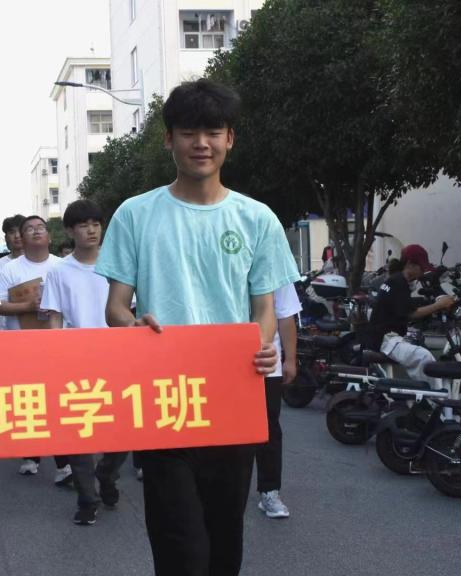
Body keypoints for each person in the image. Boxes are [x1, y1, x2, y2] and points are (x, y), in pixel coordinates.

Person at [96, 79, 297, 576]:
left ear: (230, 139)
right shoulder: (135, 215)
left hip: (233, 400)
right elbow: (115, 307)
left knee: (225, 541)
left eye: (213, 132)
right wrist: (133, 324)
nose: (201, 143)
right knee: (180, 546)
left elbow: (264, 307)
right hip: (165, 400)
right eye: (188, 132)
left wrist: (262, 343)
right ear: (169, 139)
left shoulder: (257, 219)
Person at [40, 199, 129, 526]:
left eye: (96, 223)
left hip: (117, 359)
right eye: (83, 225)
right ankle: (87, 499)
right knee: (79, 433)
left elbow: (130, 311)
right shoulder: (59, 271)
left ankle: (107, 473)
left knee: (123, 430)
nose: (91, 230)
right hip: (76, 361)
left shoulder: (119, 265)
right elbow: (54, 319)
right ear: (69, 231)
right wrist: (56, 361)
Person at [0, 215, 70, 482]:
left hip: (57, 345)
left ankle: (64, 463)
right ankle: (30, 455)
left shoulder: (62, 266)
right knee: (28, 401)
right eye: (29, 229)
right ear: (21, 238)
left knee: (58, 403)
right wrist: (27, 306)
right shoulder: (9, 269)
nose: (36, 232)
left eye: (40, 228)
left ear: (50, 236)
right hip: (22, 346)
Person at [362, 244, 456, 389]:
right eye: (421, 268)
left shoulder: (395, 280)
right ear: (410, 264)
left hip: (382, 337)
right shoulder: (399, 282)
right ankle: (436, 397)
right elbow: (410, 314)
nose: (423, 272)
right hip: (386, 340)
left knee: (420, 347)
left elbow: (404, 306)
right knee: (424, 357)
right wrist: (439, 305)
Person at [251, 282, 300, 519]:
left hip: (266, 365)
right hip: (223, 361)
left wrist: (290, 359)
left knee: (268, 429)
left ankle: (269, 491)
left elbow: (285, 316)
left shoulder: (274, 269)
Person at [0, 215, 26, 331]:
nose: (17, 236)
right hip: (7, 330)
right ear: (6, 237)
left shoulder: (36, 261)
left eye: (20, 231)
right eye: (12, 232)